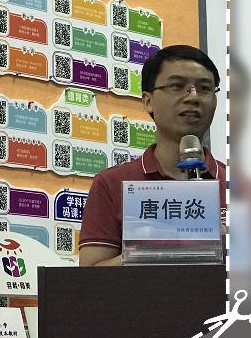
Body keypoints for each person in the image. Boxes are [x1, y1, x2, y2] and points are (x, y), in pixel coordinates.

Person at [79, 45, 226, 267]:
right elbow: (88, 276)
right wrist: (159, 248)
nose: (193, 97)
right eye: (177, 86)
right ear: (148, 101)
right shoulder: (112, 183)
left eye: (205, 88)